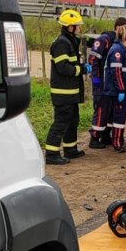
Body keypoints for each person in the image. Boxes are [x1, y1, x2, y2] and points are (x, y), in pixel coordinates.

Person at [45, 9, 91, 165]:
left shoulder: (69, 41)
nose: (79, 28)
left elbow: (71, 63)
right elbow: (63, 68)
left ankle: (70, 150)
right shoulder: (61, 43)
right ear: (69, 27)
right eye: (77, 25)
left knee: (72, 121)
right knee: (61, 123)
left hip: (70, 92)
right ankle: (51, 154)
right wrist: (81, 69)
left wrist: (80, 65)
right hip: (62, 92)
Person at [87, 17, 126, 148]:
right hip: (101, 83)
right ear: (118, 27)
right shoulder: (104, 40)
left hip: (111, 85)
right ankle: (94, 138)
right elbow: (93, 60)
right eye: (125, 28)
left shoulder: (118, 43)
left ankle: (106, 136)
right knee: (101, 111)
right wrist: (96, 82)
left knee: (111, 112)